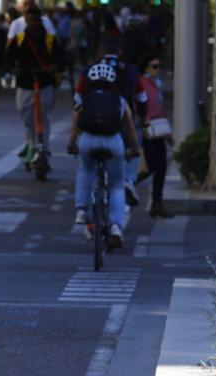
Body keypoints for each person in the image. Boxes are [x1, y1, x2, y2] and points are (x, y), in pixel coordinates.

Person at [67, 60, 141, 249]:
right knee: (116, 185)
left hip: (88, 140)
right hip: (113, 141)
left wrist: (71, 144)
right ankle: (116, 226)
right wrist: (134, 149)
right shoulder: (120, 101)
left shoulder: (84, 99)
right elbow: (130, 128)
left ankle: (82, 210)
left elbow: (76, 123)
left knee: (85, 169)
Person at [74, 37, 146, 207]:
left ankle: (83, 209)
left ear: (100, 51)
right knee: (136, 134)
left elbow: (77, 100)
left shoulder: (89, 70)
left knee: (86, 168)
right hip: (120, 127)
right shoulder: (132, 71)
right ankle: (129, 179)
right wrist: (142, 118)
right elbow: (142, 98)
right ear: (120, 52)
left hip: (91, 129)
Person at [5, 7, 64, 166]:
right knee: (27, 118)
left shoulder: (50, 39)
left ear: (40, 20)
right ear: (25, 19)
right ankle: (32, 144)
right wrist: (14, 69)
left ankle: (43, 147)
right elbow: (9, 57)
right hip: (25, 84)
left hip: (44, 83)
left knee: (42, 116)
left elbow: (61, 59)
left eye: (35, 20)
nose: (33, 23)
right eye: (29, 20)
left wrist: (53, 67)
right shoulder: (20, 38)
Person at [138, 54, 172, 218]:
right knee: (150, 168)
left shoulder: (155, 84)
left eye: (159, 66)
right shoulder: (143, 84)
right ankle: (126, 188)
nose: (157, 70)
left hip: (158, 130)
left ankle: (157, 203)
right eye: (154, 66)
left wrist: (168, 134)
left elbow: (160, 108)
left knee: (160, 167)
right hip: (148, 130)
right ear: (146, 67)